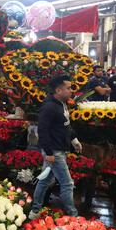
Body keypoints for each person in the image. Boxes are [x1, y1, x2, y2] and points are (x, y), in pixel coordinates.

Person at [29, 75, 81, 219]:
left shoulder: (62, 104)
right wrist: (49, 152)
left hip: (59, 149)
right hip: (54, 151)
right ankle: (73, 215)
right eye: (68, 88)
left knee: (45, 180)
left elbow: (65, 125)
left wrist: (74, 140)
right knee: (67, 183)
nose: (71, 91)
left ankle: (34, 211)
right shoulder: (49, 107)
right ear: (58, 90)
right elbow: (42, 131)